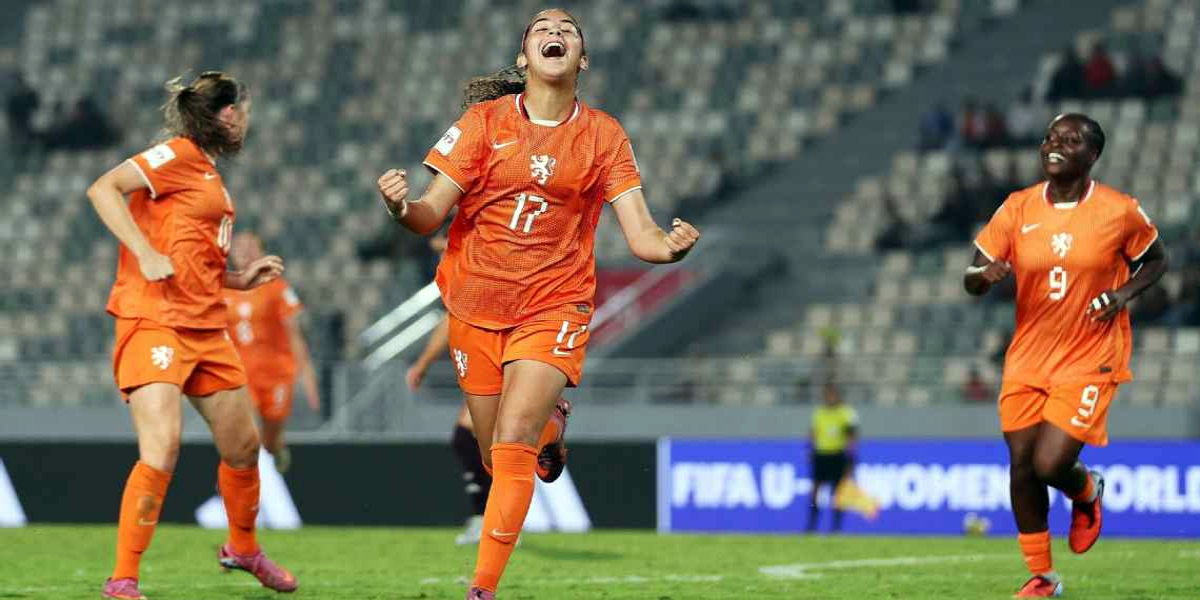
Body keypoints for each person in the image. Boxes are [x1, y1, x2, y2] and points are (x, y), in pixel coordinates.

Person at [376, 9, 700, 599]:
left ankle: (482, 589)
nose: (556, 32)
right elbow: (427, 215)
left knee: (514, 437)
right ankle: (554, 428)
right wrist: (401, 208)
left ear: (583, 59)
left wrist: (671, 249)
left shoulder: (604, 134)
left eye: (569, 28)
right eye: (542, 27)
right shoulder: (481, 123)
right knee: (496, 454)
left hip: (554, 304)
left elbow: (643, 236)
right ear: (524, 56)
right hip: (474, 304)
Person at [85, 71, 297, 599]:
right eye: (243, 111)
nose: (245, 122)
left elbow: (192, 256)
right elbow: (103, 188)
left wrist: (238, 279)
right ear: (227, 114)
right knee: (162, 447)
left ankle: (243, 548)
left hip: (207, 325)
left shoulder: (207, 174)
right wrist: (144, 251)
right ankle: (123, 578)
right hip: (154, 319)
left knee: (244, 447)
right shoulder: (175, 155)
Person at [964, 113, 1167, 597]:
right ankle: (1043, 578)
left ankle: (1086, 489)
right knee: (1020, 464)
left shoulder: (1119, 210)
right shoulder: (1016, 207)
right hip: (1028, 357)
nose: (1055, 144)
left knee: (1050, 464)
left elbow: (1156, 261)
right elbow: (971, 277)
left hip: (1090, 354)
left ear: (1092, 155)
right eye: (1052, 137)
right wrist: (982, 277)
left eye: (1071, 140)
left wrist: (1121, 295)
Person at [224, 231, 321, 474]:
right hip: (241, 373)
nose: (244, 251)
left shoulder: (276, 287)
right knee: (248, 431)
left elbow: (294, 335)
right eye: (239, 246)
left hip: (277, 373)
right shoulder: (221, 289)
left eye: (250, 246)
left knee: (271, 434)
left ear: (261, 252)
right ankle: (245, 480)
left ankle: (275, 450)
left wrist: (307, 375)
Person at [806, 382, 858, 533]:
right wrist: (810, 449)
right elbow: (813, 433)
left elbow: (852, 435)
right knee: (815, 490)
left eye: (833, 394)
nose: (830, 398)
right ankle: (812, 525)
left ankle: (836, 527)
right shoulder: (819, 413)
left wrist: (851, 456)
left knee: (837, 493)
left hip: (837, 455)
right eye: (828, 395)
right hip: (821, 455)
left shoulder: (846, 413)